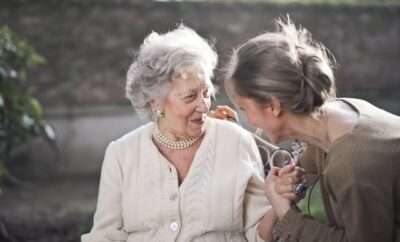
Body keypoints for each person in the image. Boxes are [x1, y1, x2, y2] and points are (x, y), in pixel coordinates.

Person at [81, 25, 302, 242]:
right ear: (155, 102)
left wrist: (277, 202)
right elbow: (105, 236)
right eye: (190, 97)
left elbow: (258, 233)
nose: (204, 105)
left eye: (206, 93)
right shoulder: (122, 154)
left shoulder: (236, 141)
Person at [224, 17, 400, 242]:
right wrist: (288, 187)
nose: (247, 118)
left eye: (244, 108)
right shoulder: (336, 115)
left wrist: (286, 213)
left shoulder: (353, 165)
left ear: (273, 106)